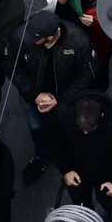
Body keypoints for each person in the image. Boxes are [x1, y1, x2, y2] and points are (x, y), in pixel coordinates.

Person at [8, 13, 95, 183]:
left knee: (69, 128)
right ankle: (42, 157)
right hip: (34, 99)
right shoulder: (21, 37)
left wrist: (59, 99)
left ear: (51, 37)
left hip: (67, 100)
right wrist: (34, 94)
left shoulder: (78, 41)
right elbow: (11, 66)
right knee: (37, 128)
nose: (29, 39)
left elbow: (87, 76)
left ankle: (71, 157)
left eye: (35, 38)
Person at [47, 94, 112, 222]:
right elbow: (55, 142)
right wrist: (66, 170)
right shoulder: (64, 112)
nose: (85, 132)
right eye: (81, 129)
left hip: (107, 172)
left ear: (101, 115)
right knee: (80, 199)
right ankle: (86, 214)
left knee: (109, 199)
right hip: (76, 169)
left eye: (89, 129)